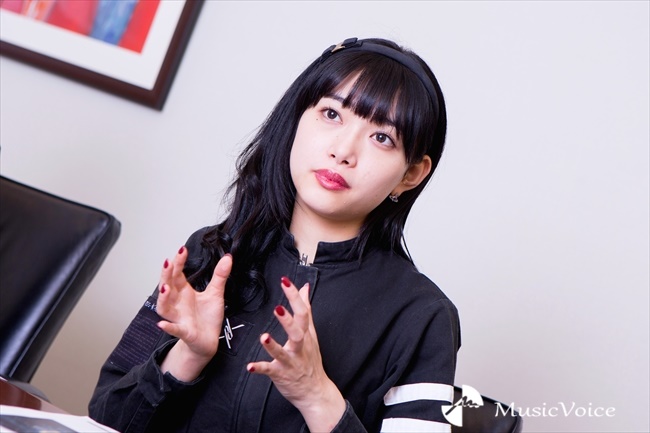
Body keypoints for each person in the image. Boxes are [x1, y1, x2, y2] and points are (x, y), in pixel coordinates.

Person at [88, 36, 461, 433]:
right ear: (297, 117)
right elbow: (102, 418)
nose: (343, 151)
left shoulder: (424, 316)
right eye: (331, 114)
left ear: (410, 175)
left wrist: (317, 397)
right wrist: (188, 355)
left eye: (382, 138)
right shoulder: (212, 253)